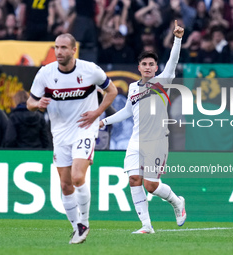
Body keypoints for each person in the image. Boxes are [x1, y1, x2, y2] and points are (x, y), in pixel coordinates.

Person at [26, 33, 117, 244]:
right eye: (57, 47)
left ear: (74, 50)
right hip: (59, 134)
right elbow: (30, 101)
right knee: (66, 185)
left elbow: (111, 92)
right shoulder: (45, 74)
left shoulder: (90, 70)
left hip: (84, 129)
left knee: (78, 177)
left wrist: (97, 113)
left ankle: (84, 222)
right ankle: (76, 227)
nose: (59, 52)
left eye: (64, 48)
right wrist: (37, 105)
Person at [100, 20, 186, 234]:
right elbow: (128, 112)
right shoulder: (132, 88)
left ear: (156, 68)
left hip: (156, 141)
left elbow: (173, 61)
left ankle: (177, 202)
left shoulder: (163, 81)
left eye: (151, 65)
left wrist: (177, 39)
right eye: (144, 64)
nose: (148, 67)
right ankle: (146, 225)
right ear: (139, 67)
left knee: (151, 185)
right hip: (136, 140)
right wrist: (104, 120)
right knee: (133, 179)